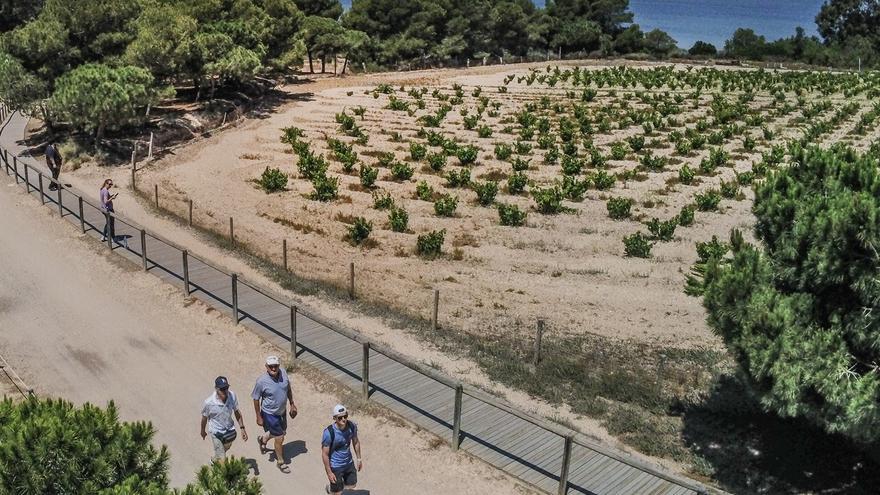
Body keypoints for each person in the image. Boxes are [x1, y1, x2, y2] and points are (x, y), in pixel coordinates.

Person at [252, 355, 297, 472]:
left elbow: (288, 388)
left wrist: (292, 403)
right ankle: (281, 462)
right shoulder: (261, 381)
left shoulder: (283, 373)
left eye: (275, 366)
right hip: (269, 413)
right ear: (266, 367)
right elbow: (256, 399)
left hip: (281, 411)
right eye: (271, 366)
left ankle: (263, 439)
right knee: (280, 437)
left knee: (282, 432)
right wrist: (258, 416)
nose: (273, 368)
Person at [200, 376, 248, 462]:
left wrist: (242, 428)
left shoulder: (232, 396)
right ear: (216, 389)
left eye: (226, 388)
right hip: (216, 432)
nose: (225, 391)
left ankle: (214, 460)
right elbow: (204, 418)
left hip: (229, 431)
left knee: (223, 451)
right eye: (222, 389)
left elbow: (237, 412)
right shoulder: (209, 403)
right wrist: (202, 431)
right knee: (222, 458)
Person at [322, 404, 363, 495]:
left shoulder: (352, 426)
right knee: (338, 493)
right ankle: (332, 490)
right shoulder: (329, 433)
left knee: (351, 489)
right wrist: (329, 472)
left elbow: (356, 442)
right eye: (340, 418)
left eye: (345, 416)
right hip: (336, 466)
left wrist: (359, 459)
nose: (343, 419)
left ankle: (332, 489)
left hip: (349, 463)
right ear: (334, 418)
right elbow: (325, 454)